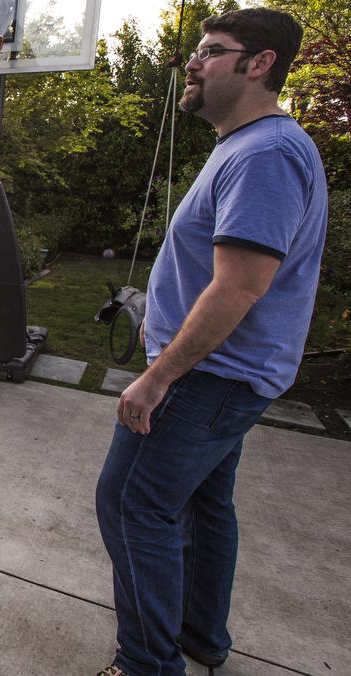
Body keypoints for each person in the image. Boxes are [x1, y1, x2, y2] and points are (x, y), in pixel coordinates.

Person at [95, 9, 327, 676]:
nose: (193, 63)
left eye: (212, 51)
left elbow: (239, 287)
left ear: (259, 64)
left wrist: (158, 375)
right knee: (203, 503)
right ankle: (200, 635)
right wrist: (161, 316)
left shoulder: (264, 155)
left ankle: (146, 662)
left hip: (208, 379)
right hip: (226, 375)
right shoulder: (249, 144)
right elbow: (214, 272)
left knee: (132, 503)